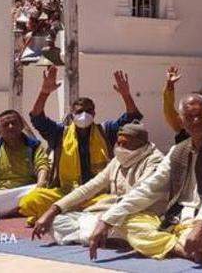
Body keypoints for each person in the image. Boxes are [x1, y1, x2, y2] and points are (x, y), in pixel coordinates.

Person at [88, 93, 202, 262]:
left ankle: (180, 243)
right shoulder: (177, 151)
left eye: (200, 115)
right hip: (176, 222)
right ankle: (181, 248)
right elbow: (149, 188)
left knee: (195, 233)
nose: (195, 121)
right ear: (181, 121)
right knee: (125, 222)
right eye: (189, 117)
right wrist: (106, 221)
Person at [21, 67, 144, 220]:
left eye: (88, 111)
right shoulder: (60, 133)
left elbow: (132, 118)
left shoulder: (106, 131)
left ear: (94, 113)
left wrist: (126, 95)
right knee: (30, 201)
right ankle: (73, 212)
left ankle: (69, 213)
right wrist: (44, 92)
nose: (84, 115)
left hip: (97, 195)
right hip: (66, 193)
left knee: (117, 204)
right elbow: (37, 118)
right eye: (79, 112)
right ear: (72, 115)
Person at [30, 121, 163, 245]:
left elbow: (137, 197)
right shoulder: (119, 159)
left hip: (140, 213)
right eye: (119, 143)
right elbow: (90, 187)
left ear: (141, 143)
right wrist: (53, 210)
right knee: (56, 221)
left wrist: (106, 221)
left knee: (138, 229)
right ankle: (97, 236)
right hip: (110, 212)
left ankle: (94, 234)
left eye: (126, 144)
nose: (120, 148)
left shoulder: (155, 161)